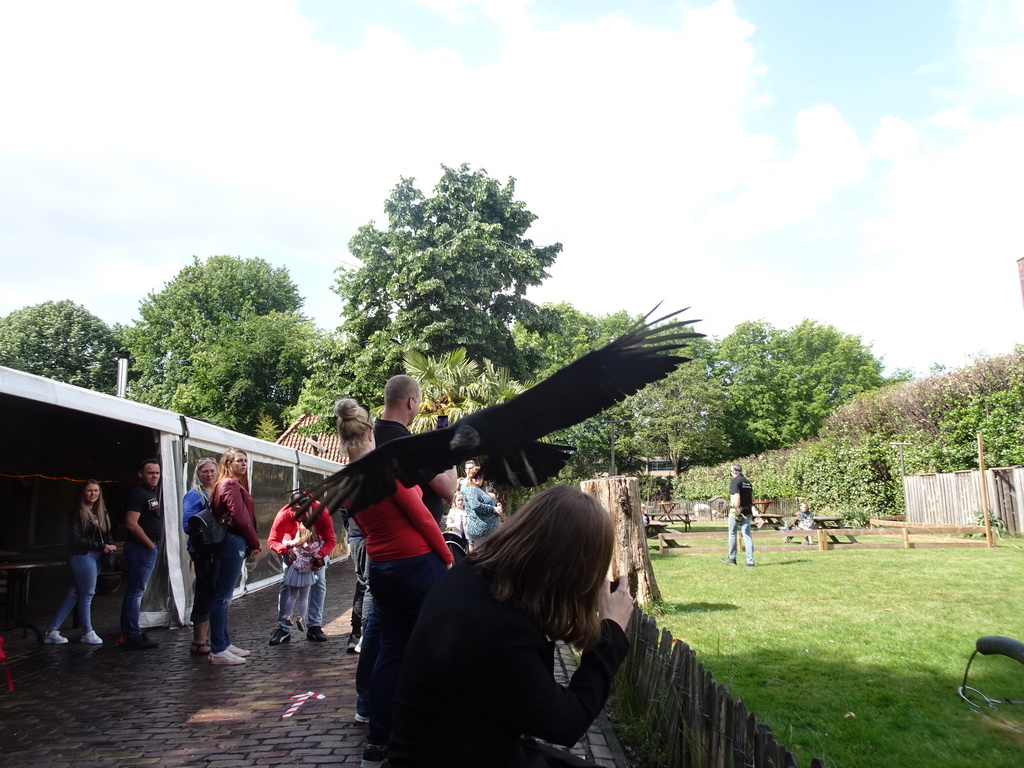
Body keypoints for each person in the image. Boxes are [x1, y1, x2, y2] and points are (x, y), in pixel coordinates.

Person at [388, 485, 634, 768]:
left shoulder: (474, 574)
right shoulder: (500, 627)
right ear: (569, 569)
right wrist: (611, 633)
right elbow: (566, 723)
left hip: (451, 746)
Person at [335, 397, 454, 768]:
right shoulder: (385, 468)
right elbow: (422, 520)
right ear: (371, 431)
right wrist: (448, 560)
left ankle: (378, 741)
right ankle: (430, 734)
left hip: (382, 567)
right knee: (433, 649)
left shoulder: (346, 478)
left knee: (390, 652)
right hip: (418, 564)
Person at [374, 374, 457, 526]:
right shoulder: (409, 445)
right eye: (418, 402)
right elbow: (448, 489)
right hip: (419, 534)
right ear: (411, 402)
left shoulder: (370, 436)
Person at [44, 480, 117, 645]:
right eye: (89, 491)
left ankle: (52, 630)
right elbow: (76, 539)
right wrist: (102, 546)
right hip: (83, 555)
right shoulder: (77, 513)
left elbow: (107, 533)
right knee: (88, 594)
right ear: (83, 493)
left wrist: (109, 545)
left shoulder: (101, 512)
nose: (93, 494)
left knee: (75, 593)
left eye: (96, 491)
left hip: (97, 556)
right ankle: (88, 631)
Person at [208, 448, 261, 665]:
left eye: (246, 460)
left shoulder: (232, 484)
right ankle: (218, 648)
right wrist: (254, 541)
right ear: (228, 463)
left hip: (234, 540)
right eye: (239, 460)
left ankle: (224, 643)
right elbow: (240, 517)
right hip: (232, 540)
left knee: (224, 596)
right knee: (222, 596)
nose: (244, 464)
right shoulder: (229, 484)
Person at [267, 497, 336, 645]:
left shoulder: (321, 513)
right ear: (292, 510)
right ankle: (284, 627)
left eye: (307, 512)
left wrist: (320, 555)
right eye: (299, 513)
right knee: (288, 583)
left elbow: (331, 539)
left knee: (319, 581)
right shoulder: (283, 516)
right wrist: (285, 549)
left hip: (316, 547)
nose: (304, 516)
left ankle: (314, 625)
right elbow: (272, 540)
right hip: (291, 547)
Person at [120, 459, 163, 650]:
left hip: (146, 547)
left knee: (137, 592)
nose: (154, 476)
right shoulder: (138, 493)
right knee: (136, 592)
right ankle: (131, 634)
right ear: (140, 474)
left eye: (157, 473)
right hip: (140, 548)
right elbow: (131, 522)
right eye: (150, 473)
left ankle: (131, 630)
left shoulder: (150, 493)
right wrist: (148, 544)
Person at [181, 457, 219, 656]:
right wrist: (206, 533)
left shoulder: (217, 491)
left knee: (212, 592)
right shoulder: (194, 495)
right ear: (198, 474)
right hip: (203, 552)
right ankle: (198, 640)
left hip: (216, 549)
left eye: (212, 471)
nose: (209, 475)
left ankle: (205, 638)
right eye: (205, 472)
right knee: (204, 592)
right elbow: (187, 524)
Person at [345, 514, 370, 653]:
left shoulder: (347, 492)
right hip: (367, 536)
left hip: (356, 537)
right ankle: (365, 634)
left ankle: (355, 634)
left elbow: (344, 511)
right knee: (369, 587)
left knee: (362, 585)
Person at [462, 466, 502, 552]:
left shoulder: (479, 489)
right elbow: (475, 505)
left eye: (480, 476)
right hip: (481, 531)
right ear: (471, 477)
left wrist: (497, 505)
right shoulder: (471, 489)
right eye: (475, 476)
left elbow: (488, 503)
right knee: (481, 557)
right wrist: (493, 509)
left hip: (488, 531)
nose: (478, 478)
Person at [723, 463, 755, 567]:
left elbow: (737, 496)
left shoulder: (735, 481)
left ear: (733, 471)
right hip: (748, 511)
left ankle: (732, 558)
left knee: (732, 533)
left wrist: (737, 511)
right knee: (747, 535)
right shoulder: (747, 482)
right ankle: (750, 561)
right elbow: (753, 499)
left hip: (736, 512)